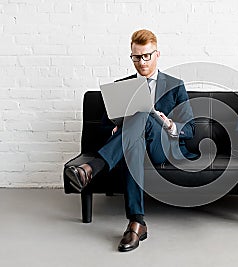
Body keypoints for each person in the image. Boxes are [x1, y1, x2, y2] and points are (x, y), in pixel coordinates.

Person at [65, 29, 198, 252]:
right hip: (131, 146)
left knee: (142, 115)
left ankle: (91, 167)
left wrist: (169, 124)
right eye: (136, 57)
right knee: (132, 139)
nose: (142, 61)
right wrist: (117, 127)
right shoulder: (122, 85)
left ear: (157, 54)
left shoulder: (175, 85)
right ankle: (137, 222)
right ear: (132, 57)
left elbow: (191, 129)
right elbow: (106, 124)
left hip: (161, 146)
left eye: (147, 55)